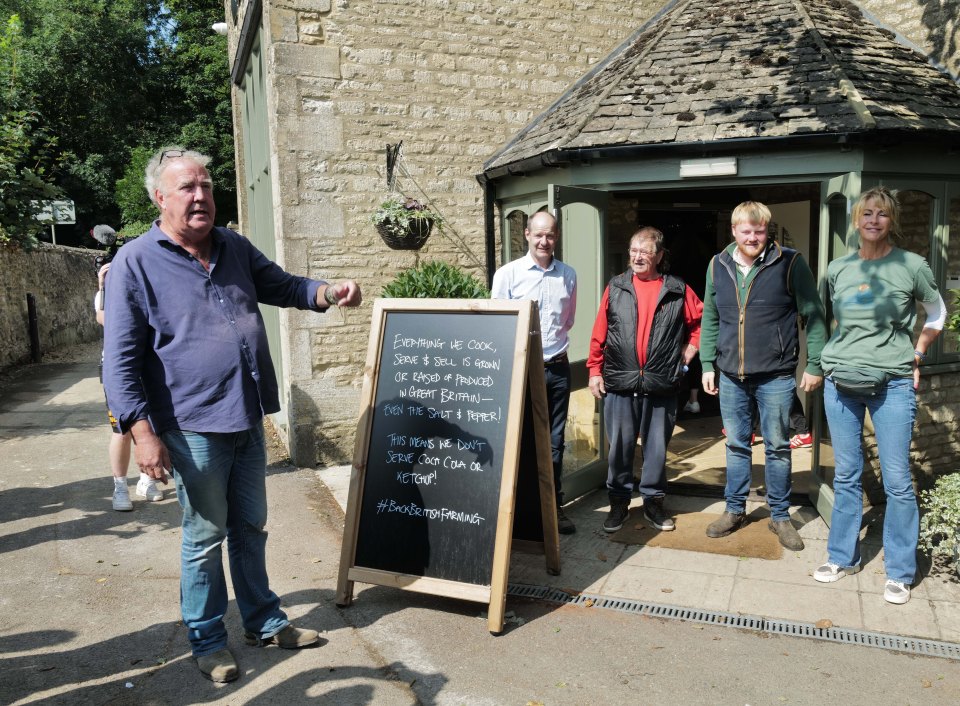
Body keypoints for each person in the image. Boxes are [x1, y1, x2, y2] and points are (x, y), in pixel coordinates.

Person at [102, 146, 362, 683]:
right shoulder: (136, 261)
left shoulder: (234, 247)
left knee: (252, 526)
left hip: (246, 416)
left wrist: (326, 291)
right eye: (187, 189)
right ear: (160, 197)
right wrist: (143, 434)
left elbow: (283, 285)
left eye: (206, 187)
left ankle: (264, 621)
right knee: (203, 537)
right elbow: (120, 359)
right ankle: (207, 640)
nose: (200, 197)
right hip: (190, 425)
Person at [814, 186, 944, 605]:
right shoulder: (838, 268)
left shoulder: (912, 265)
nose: (873, 220)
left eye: (882, 214)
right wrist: (824, 364)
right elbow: (830, 320)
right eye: (867, 213)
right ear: (856, 220)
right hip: (840, 383)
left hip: (892, 383)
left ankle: (900, 572)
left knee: (898, 481)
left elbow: (937, 312)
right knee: (848, 475)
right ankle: (841, 557)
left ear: (892, 221)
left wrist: (918, 352)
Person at [700, 201, 828, 551]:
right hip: (729, 376)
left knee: (778, 447)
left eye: (759, 231)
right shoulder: (717, 265)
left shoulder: (790, 262)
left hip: (776, 376)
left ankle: (780, 516)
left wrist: (815, 364)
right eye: (746, 231)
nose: (753, 237)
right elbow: (711, 318)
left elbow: (814, 316)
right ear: (734, 231)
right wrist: (707, 364)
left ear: (767, 231)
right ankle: (734, 509)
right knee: (737, 444)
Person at [587, 227, 702, 533]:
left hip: (661, 381)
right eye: (633, 250)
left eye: (645, 251)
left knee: (655, 449)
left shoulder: (678, 289)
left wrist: (690, 350)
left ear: (660, 256)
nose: (637, 257)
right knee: (620, 448)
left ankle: (653, 502)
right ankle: (619, 503)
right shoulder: (616, 287)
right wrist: (594, 370)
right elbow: (600, 332)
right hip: (620, 382)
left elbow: (703, 322)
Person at [491, 211, 578, 534]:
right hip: (521, 371)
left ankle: (553, 508)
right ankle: (517, 515)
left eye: (550, 235)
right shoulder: (508, 275)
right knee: (518, 440)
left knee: (555, 443)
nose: (544, 241)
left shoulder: (568, 275)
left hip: (556, 369)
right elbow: (498, 325)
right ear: (526, 234)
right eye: (539, 235)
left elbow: (566, 322)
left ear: (556, 237)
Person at [95, 261, 163, 510]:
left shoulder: (150, 287)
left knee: (152, 426)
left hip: (152, 368)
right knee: (122, 430)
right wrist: (103, 286)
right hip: (120, 371)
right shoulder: (104, 295)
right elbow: (104, 319)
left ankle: (146, 481)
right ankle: (120, 486)